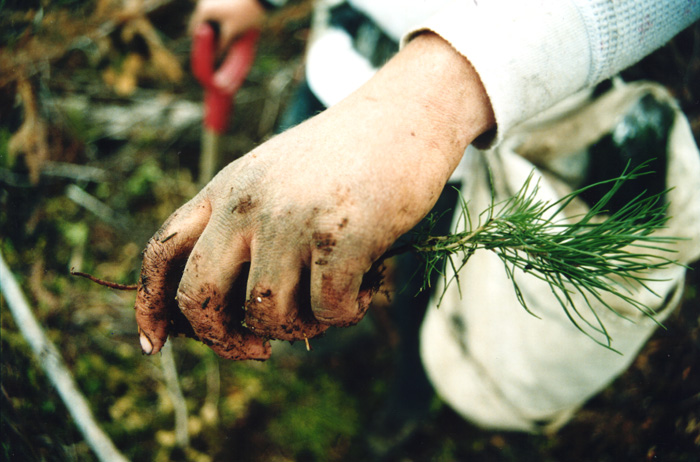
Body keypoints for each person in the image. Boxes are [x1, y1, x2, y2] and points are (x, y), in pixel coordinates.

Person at [134, 0, 700, 432]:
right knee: (290, 268)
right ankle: (319, 344)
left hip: (459, 148)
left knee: (425, 286)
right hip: (330, 76)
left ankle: (409, 395)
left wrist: (435, 100)